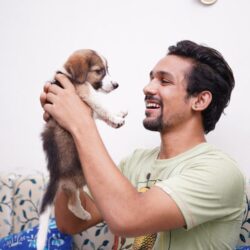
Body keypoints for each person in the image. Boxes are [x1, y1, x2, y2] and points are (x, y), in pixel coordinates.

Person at [40, 40, 245, 249]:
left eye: (164, 81)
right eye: (151, 78)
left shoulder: (220, 171)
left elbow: (128, 218)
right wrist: (64, 130)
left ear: (200, 100)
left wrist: (81, 123)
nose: (147, 88)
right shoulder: (135, 163)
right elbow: (70, 222)